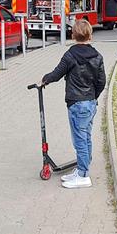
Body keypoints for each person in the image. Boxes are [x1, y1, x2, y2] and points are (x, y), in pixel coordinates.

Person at [40, 19, 106, 189]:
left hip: (76, 103)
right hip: (90, 103)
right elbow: (102, 81)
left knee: (80, 141)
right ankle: (83, 168)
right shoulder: (98, 56)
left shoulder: (70, 55)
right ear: (90, 36)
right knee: (87, 137)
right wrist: (93, 96)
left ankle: (84, 175)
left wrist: (45, 80)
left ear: (73, 36)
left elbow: (57, 73)